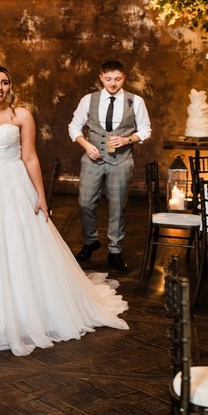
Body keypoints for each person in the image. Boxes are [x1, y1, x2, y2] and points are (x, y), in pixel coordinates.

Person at [0, 64, 129, 357]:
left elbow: (30, 157)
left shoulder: (21, 115)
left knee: (14, 242)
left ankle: (18, 311)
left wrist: (40, 196)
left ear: (10, 87)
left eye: (4, 82)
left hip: (12, 184)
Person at [68, 59, 151, 272]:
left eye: (117, 79)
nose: (112, 84)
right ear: (101, 78)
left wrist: (127, 140)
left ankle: (115, 250)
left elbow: (145, 130)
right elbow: (74, 126)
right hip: (92, 158)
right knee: (85, 202)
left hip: (122, 161)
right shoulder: (89, 100)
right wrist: (86, 145)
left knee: (117, 206)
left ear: (124, 77)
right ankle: (91, 241)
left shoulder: (136, 101)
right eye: (108, 79)